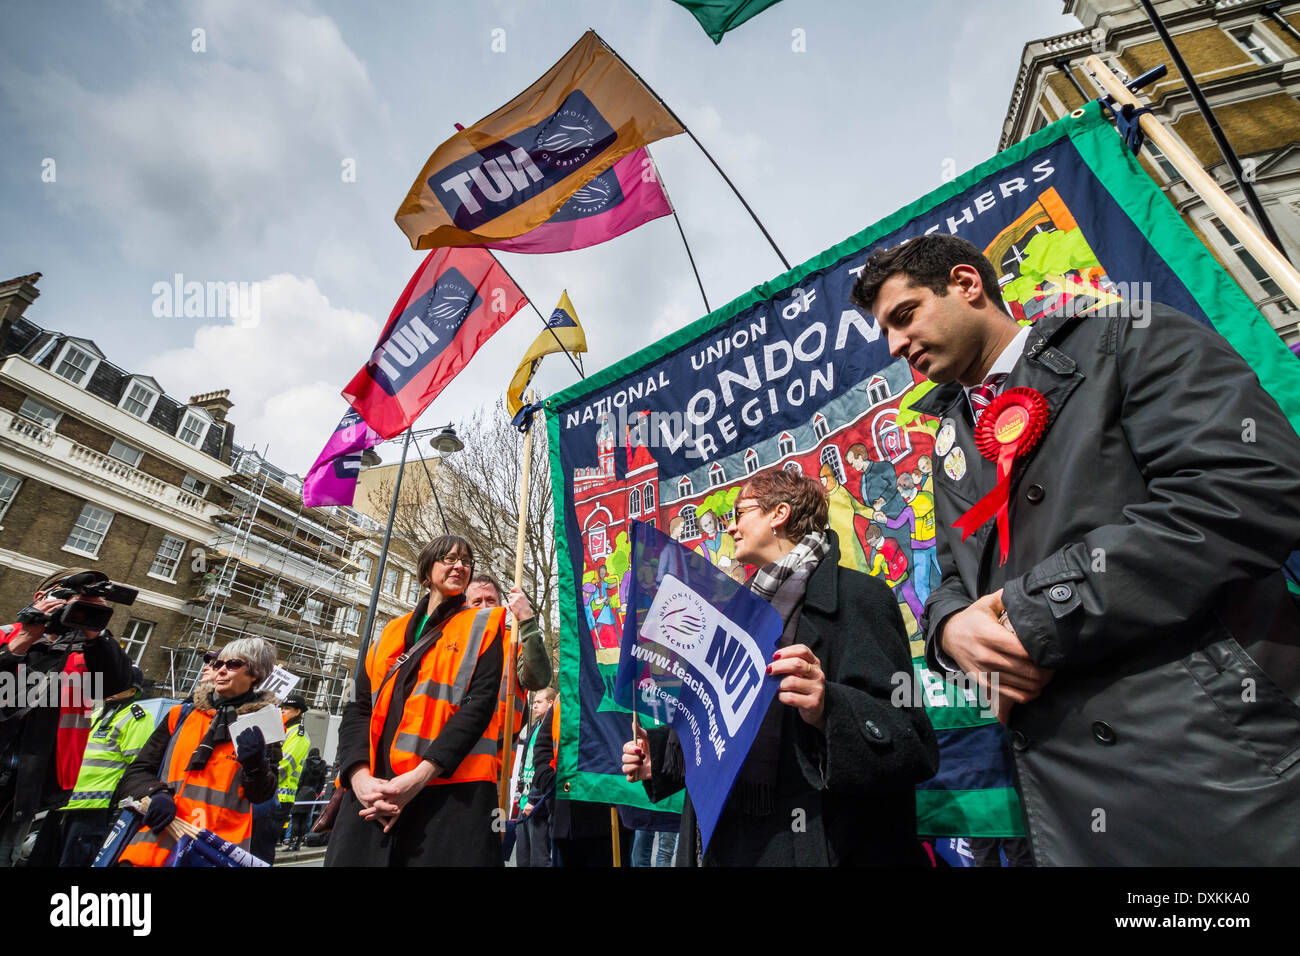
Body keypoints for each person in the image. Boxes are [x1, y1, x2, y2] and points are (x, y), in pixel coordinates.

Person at [850, 233, 1300, 865]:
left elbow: (1247, 489)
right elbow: (950, 579)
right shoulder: (952, 445)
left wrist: (1035, 613)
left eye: (905, 316)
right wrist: (952, 632)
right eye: (887, 332)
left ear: (967, 284)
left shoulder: (1122, 336)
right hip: (1065, 803)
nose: (896, 345)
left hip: (1216, 764)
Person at [622, 469, 940, 866]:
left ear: (779, 514)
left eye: (740, 513)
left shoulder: (861, 597)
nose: (732, 527)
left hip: (814, 846)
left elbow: (913, 743)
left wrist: (829, 708)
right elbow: (723, 726)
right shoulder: (737, 612)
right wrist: (662, 759)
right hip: (725, 845)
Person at [325, 535, 506, 867]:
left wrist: (419, 778)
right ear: (426, 572)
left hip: (448, 795)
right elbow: (357, 707)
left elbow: (477, 707)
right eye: (449, 558)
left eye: (466, 561)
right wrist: (359, 778)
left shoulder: (484, 625)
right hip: (372, 792)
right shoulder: (389, 633)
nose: (460, 566)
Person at [0, 568, 132, 867]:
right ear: (41, 598)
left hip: (28, 788)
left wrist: (96, 631)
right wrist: (25, 637)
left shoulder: (85, 655)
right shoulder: (5, 635)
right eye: (70, 601)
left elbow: (117, 685)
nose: (74, 608)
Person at [116, 638, 282, 866]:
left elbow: (263, 797)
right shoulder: (181, 715)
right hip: (154, 845)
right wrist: (156, 793)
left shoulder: (264, 724)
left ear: (254, 673)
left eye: (232, 664)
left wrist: (256, 766)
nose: (221, 670)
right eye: (217, 665)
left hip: (214, 851)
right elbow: (138, 771)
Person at [55, 665, 154, 867]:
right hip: (66, 800)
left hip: (96, 807)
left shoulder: (137, 717)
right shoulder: (98, 711)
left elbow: (136, 766)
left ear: (133, 690)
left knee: (75, 862)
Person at [464, 572, 552, 782]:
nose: (484, 606)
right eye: (477, 601)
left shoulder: (513, 647)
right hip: (446, 766)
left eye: (490, 600)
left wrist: (526, 620)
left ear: (501, 606)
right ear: (466, 607)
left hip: (493, 770)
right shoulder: (453, 641)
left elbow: (538, 679)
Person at [250, 692, 311, 864]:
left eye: (287, 709)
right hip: (267, 793)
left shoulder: (298, 735)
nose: (283, 712)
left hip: (280, 796)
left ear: (298, 711)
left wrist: (263, 777)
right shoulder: (282, 730)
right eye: (282, 709)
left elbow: (285, 765)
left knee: (261, 848)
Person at [513, 687, 557, 867]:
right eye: (534, 702)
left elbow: (546, 767)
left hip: (538, 804)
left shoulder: (552, 729)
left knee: (539, 859)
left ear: (551, 703)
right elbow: (527, 760)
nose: (534, 706)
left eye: (539, 702)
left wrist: (534, 799)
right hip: (524, 799)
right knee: (522, 857)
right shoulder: (535, 726)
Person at [287, 747, 327, 851]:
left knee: (296, 817)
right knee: (304, 818)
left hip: (302, 792)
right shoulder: (322, 766)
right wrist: (316, 793)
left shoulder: (307, 763)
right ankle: (298, 843)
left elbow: (301, 779)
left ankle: (291, 843)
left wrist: (297, 792)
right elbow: (322, 782)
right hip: (312, 793)